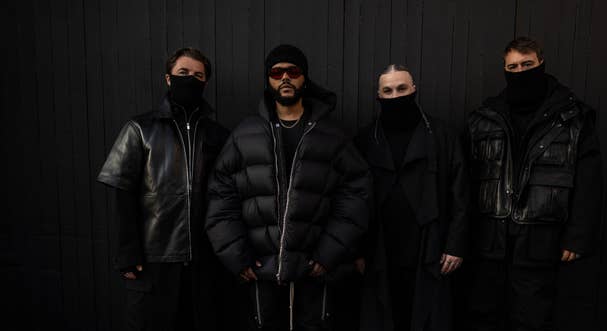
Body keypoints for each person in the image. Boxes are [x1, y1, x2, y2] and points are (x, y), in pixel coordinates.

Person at [205, 44, 371, 331]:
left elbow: (357, 193)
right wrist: (238, 257)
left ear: (304, 78)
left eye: (293, 71)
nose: (285, 77)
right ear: (268, 79)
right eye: (276, 71)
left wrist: (327, 253)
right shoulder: (244, 134)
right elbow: (220, 197)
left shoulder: (332, 134)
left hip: (314, 270)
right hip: (260, 270)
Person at [463, 36, 603, 331]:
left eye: (527, 64)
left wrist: (577, 236)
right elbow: (466, 181)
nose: (520, 72)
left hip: (541, 238)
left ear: (541, 63)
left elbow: (589, 182)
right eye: (512, 67)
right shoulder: (485, 118)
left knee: (532, 318)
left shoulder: (573, 118)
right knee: (483, 314)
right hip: (491, 238)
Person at [96, 47, 235, 330]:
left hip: (204, 261)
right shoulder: (139, 129)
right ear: (168, 78)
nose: (191, 79)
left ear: (206, 82)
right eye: (183, 73)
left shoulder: (218, 135)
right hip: (154, 259)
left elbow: (229, 196)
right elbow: (123, 192)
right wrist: (128, 252)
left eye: (198, 75)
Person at [355, 64, 468, 331]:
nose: (395, 96)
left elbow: (460, 192)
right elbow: (352, 200)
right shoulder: (365, 139)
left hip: (428, 244)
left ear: (414, 89)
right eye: (388, 90)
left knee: (427, 313)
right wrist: (357, 250)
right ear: (379, 96)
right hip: (381, 246)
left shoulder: (442, 135)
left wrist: (455, 244)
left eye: (402, 88)